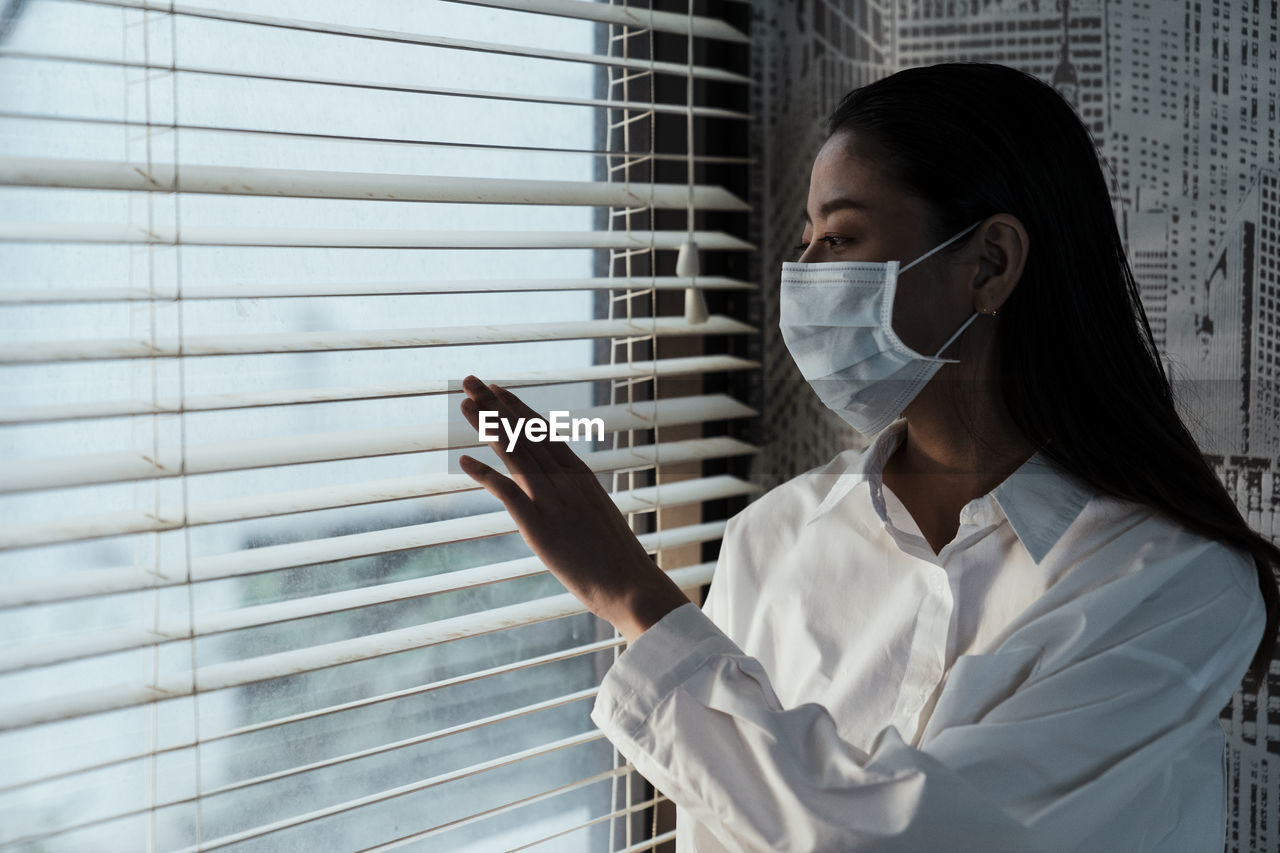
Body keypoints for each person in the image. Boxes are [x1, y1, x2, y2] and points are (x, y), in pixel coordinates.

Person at [456, 61, 1280, 852]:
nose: (803, 274)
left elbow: (914, 837)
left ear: (989, 263)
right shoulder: (770, 538)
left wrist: (632, 594)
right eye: (806, 238)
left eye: (840, 236)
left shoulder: (1172, 579)